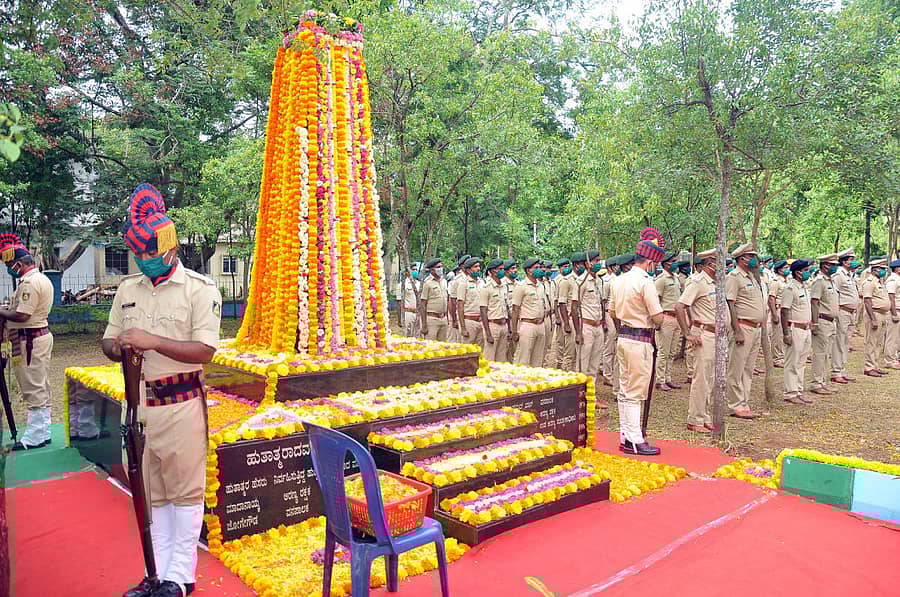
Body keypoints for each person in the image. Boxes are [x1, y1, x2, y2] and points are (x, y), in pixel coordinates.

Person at [104, 184, 222, 597]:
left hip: (181, 404)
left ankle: (179, 577)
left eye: (150, 252)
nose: (144, 259)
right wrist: (117, 346)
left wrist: (153, 340)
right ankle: (154, 574)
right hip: (137, 407)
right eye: (139, 254)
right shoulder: (127, 290)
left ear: (170, 248)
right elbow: (108, 341)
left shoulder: (200, 289)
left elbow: (205, 350)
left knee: (184, 494)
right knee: (148, 494)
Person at [609, 229, 665, 455]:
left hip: (623, 337)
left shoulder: (619, 281)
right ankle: (634, 439)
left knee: (624, 390)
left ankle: (625, 435)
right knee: (635, 392)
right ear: (650, 261)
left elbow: (612, 311)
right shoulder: (645, 282)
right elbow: (658, 317)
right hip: (640, 340)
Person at [0, 234, 54, 450]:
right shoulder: (38, 279)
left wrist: (1, 311)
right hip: (35, 337)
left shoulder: (30, 283)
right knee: (40, 384)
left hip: (30, 339)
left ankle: (36, 436)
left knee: (33, 386)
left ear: (19, 264)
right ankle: (43, 430)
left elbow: (22, 315)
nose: (8, 268)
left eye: (9, 265)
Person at [675, 248, 719, 432]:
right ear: (710, 264)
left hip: (715, 335)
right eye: (719, 262)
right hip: (703, 334)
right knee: (701, 378)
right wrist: (687, 334)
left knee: (710, 378)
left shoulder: (716, 283)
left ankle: (705, 415)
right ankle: (695, 419)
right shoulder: (698, 282)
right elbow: (679, 306)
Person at [724, 243, 766, 419]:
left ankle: (744, 402)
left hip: (755, 329)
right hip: (743, 327)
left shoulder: (751, 277)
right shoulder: (734, 277)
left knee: (748, 369)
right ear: (742, 259)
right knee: (737, 368)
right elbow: (730, 304)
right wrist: (737, 330)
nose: (755, 259)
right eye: (751, 256)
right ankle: (735, 404)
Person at [781, 259, 813, 404]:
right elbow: (784, 311)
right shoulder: (790, 288)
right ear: (798, 272)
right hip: (795, 329)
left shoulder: (804, 287)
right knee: (792, 362)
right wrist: (786, 332)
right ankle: (790, 392)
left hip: (806, 329)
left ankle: (798, 390)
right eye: (806, 270)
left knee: (801, 362)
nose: (808, 272)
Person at [571, 251, 607, 385]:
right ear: (588, 263)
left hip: (598, 326)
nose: (598, 263)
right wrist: (578, 332)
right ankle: (578, 396)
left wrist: (603, 322)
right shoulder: (581, 281)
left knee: (594, 364)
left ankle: (590, 395)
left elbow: (601, 303)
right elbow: (574, 307)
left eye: (599, 260)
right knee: (582, 364)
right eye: (596, 261)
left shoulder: (599, 280)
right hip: (586, 326)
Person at [809, 253, 840, 395]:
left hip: (831, 322)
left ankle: (822, 381)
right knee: (819, 353)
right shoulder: (819, 281)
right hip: (822, 320)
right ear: (825, 266)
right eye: (833, 265)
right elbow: (814, 303)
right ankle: (816, 383)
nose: (835, 268)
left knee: (826, 353)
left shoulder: (830, 281)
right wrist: (814, 323)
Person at [511, 258, 548, 367]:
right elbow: (515, 309)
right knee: (523, 357)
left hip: (540, 325)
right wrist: (514, 331)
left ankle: (534, 382)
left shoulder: (540, 285)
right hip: (528, 325)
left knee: (538, 358)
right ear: (528, 270)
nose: (539, 270)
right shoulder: (521, 286)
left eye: (539, 267)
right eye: (535, 268)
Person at [654, 250, 682, 392]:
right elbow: (656, 300)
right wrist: (657, 322)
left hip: (676, 318)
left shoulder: (676, 278)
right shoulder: (661, 280)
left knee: (672, 351)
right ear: (666, 264)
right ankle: (660, 380)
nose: (676, 263)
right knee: (663, 351)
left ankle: (668, 378)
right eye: (673, 261)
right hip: (666, 317)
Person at [830, 248, 858, 383]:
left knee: (845, 342)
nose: (853, 262)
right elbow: (834, 294)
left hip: (850, 313)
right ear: (845, 262)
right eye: (851, 260)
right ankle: (836, 372)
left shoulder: (849, 275)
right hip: (842, 311)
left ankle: (842, 370)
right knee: (839, 342)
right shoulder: (838, 275)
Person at [861, 258, 892, 377]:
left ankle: (875, 365)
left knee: (879, 342)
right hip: (874, 314)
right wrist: (873, 318)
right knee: (871, 341)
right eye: (882, 269)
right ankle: (869, 367)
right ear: (874, 269)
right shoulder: (869, 282)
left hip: (883, 314)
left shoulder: (880, 282)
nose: (883, 271)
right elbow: (867, 301)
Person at [479, 259, 510, 361]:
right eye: (499, 269)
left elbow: (506, 307)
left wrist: (509, 328)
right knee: (489, 357)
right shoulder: (486, 288)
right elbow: (483, 311)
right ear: (492, 271)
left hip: (503, 325)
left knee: (501, 358)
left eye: (503, 269)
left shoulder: (504, 286)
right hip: (493, 325)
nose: (502, 271)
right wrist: (488, 333)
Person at [555, 257, 577, 370]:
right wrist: (559, 318)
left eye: (568, 266)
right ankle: (560, 365)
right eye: (564, 267)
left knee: (573, 347)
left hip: (576, 317)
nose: (567, 268)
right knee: (562, 343)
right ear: (559, 268)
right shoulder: (560, 280)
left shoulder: (578, 279)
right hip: (565, 315)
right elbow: (557, 301)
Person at [455, 257, 484, 346]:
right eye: (475, 267)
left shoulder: (482, 282)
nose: (478, 269)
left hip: (480, 321)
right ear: (468, 270)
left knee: (480, 351)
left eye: (479, 266)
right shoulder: (463, 284)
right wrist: (463, 327)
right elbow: (460, 306)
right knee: (467, 349)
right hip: (469, 322)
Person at [418, 258, 448, 341]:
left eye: (441, 267)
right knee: (430, 346)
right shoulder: (427, 283)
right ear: (432, 270)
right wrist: (424, 324)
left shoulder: (444, 281)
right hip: (431, 319)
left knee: (443, 347)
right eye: (438, 267)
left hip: (443, 318)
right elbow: (423, 304)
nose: (440, 269)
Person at [768, 260, 789, 368]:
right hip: (778, 309)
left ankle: (783, 356)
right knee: (778, 335)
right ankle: (777, 358)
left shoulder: (786, 281)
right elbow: (771, 298)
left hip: (787, 310)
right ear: (780, 270)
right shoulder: (775, 281)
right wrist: (774, 314)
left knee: (785, 333)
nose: (787, 269)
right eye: (785, 268)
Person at [447, 254, 470, 342]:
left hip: (470, 317)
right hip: (458, 316)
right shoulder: (457, 280)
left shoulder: (477, 280)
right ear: (463, 266)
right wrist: (454, 319)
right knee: (456, 342)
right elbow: (452, 301)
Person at [542, 260, 559, 367]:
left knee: (548, 344)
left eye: (549, 268)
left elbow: (555, 300)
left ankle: (544, 365)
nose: (547, 270)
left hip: (551, 316)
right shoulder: (540, 283)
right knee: (541, 344)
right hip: (543, 316)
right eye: (546, 268)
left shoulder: (552, 283)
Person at [503, 259, 520, 361]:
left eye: (515, 268)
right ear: (506, 271)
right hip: (508, 321)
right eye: (512, 269)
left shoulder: (518, 284)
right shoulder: (503, 284)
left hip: (518, 321)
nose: (515, 270)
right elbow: (504, 305)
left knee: (517, 350)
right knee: (506, 351)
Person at [399, 263, 420, 336]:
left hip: (418, 313)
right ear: (407, 272)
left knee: (418, 336)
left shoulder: (419, 284)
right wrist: (400, 318)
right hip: (408, 313)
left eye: (416, 270)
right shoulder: (402, 285)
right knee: (407, 336)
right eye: (413, 270)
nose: (415, 271)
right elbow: (399, 302)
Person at [887, 259, 900, 367]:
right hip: (895, 310)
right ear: (897, 268)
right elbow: (890, 297)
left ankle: (896, 357)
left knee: (898, 337)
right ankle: (889, 360)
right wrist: (894, 313)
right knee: (892, 337)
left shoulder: (898, 279)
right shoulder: (893, 280)